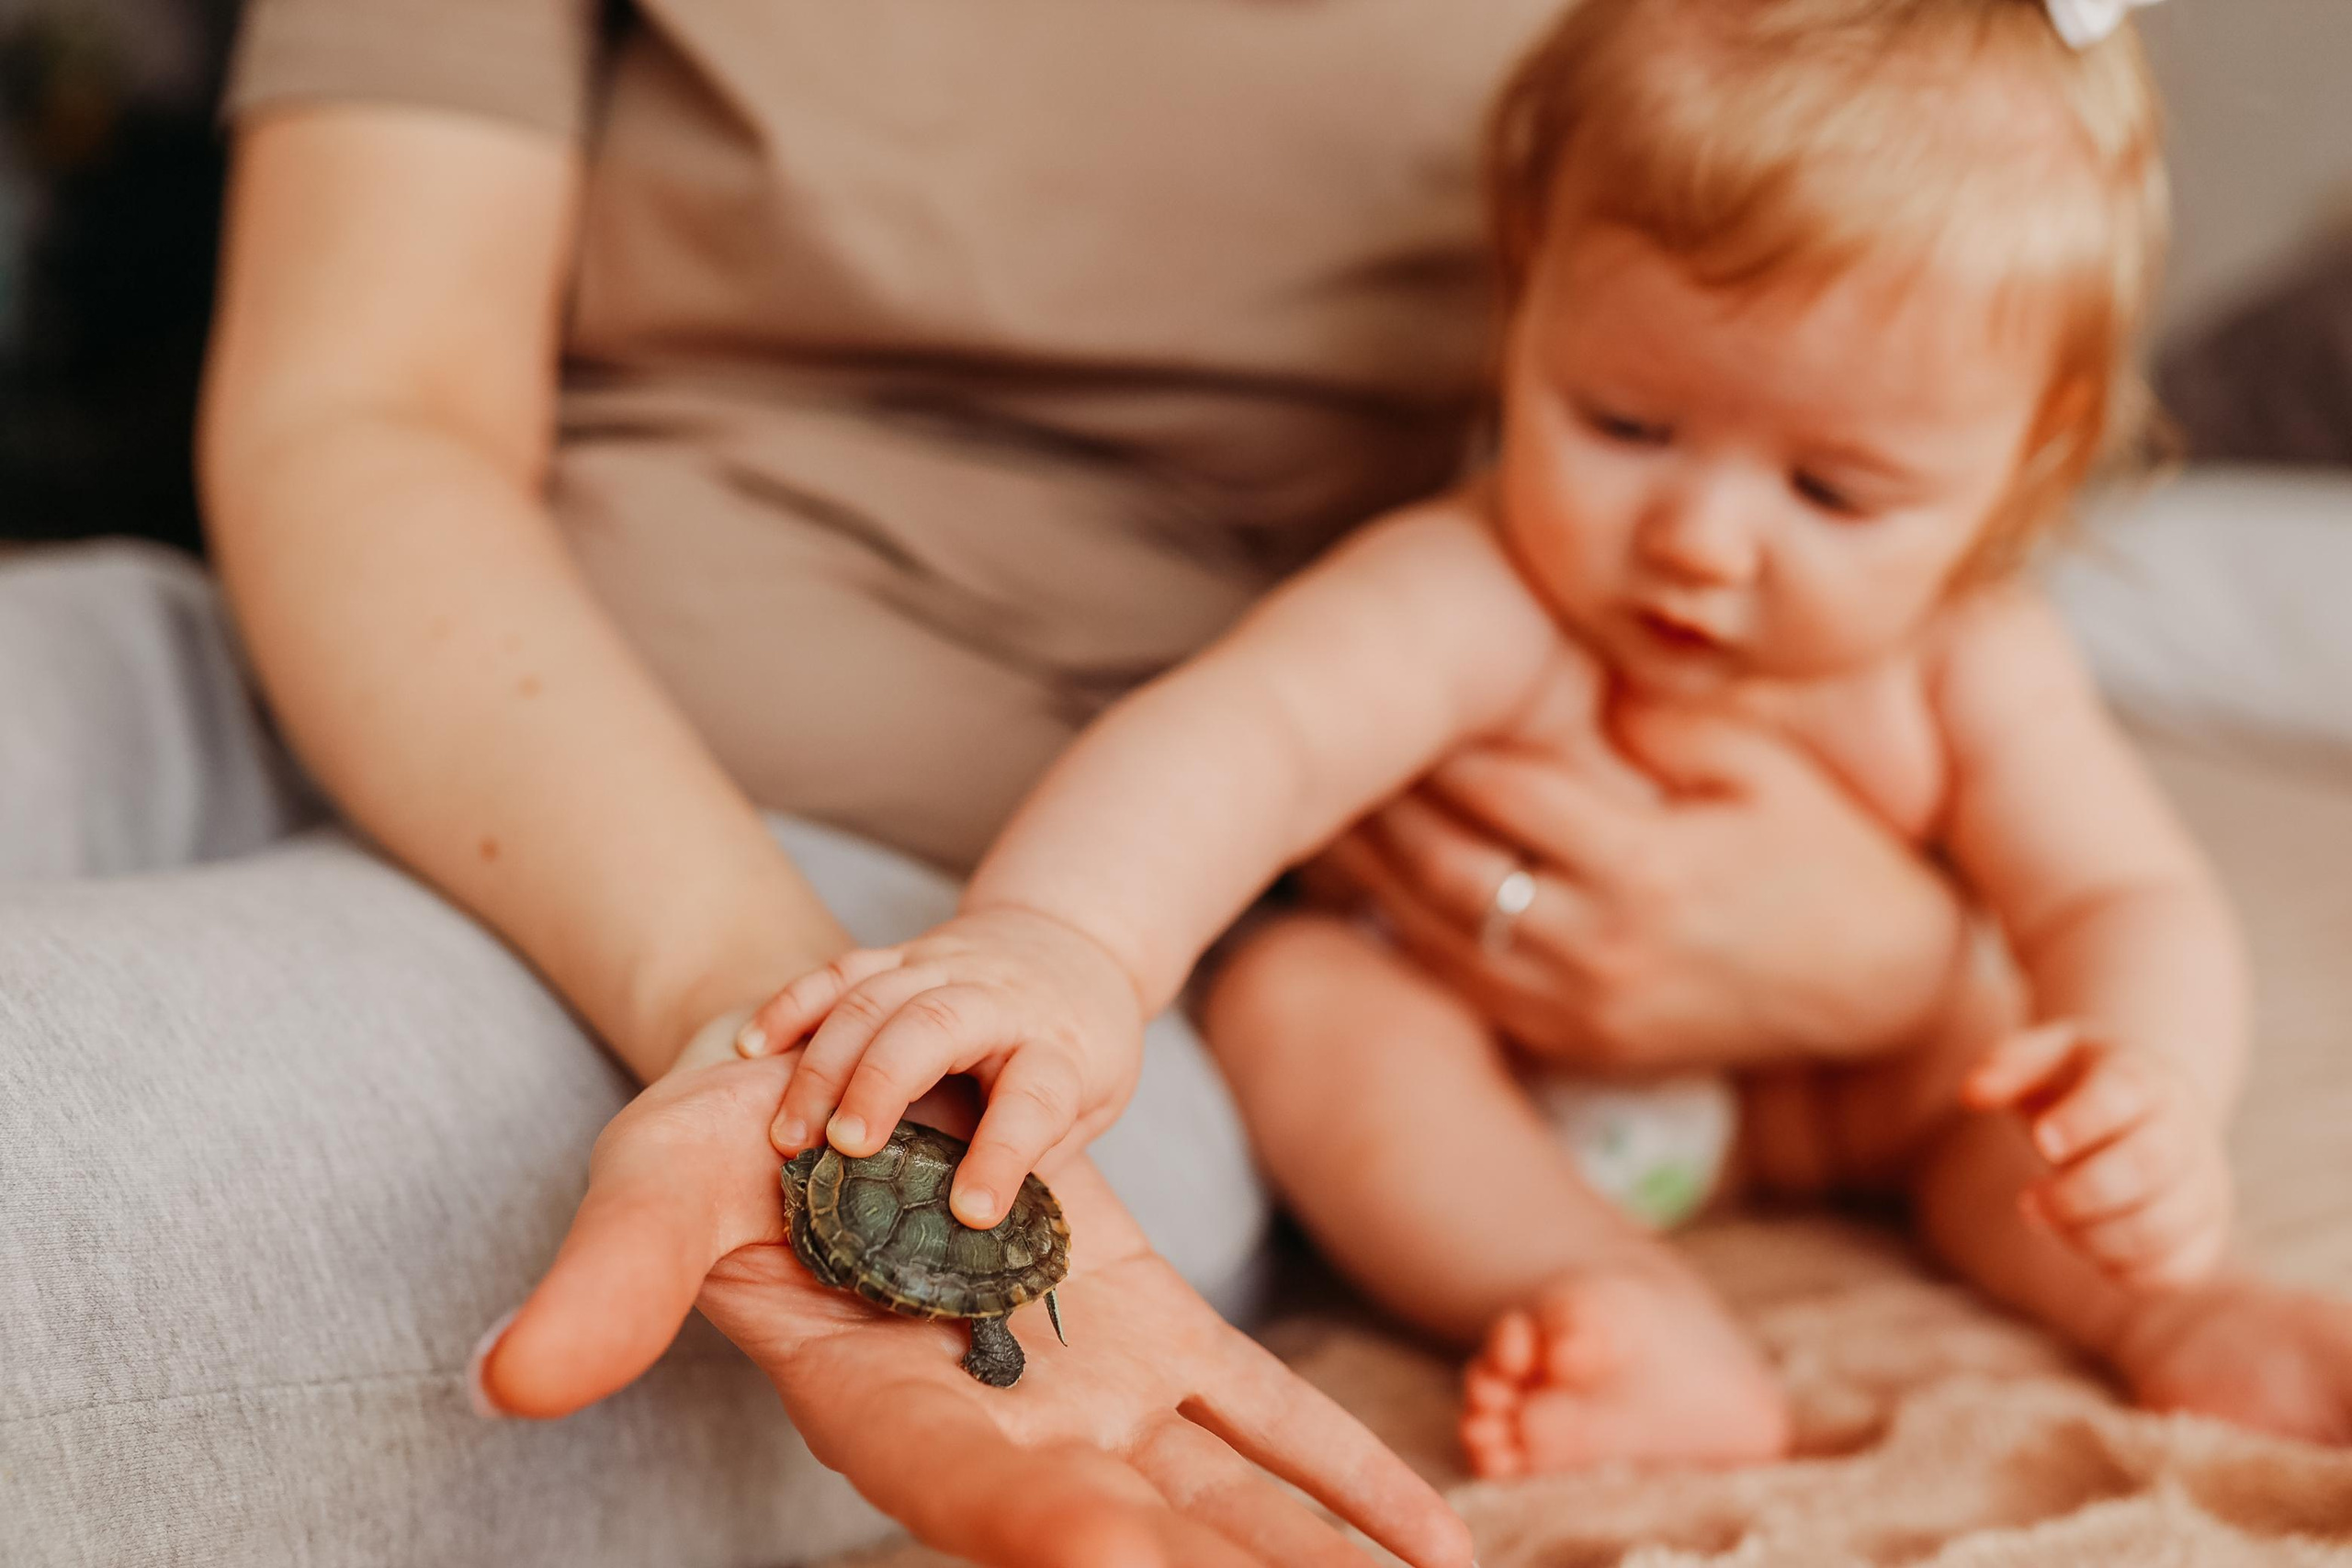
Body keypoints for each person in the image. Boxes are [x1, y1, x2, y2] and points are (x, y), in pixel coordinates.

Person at [0, 2, 2014, 1565]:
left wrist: (1906, 963)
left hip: (974, 938)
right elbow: (364, 403)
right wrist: (751, 983)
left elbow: (1899, 452)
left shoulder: (1783, 66)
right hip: (295, 642)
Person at [736, 0, 2352, 1483]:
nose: (1704, 540)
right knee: (1305, 1004)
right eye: (1627, 426)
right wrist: (1060, 944)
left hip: (1837, 1094)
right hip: (1498, 1078)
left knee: (2009, 1082)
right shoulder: (1480, 587)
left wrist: (2150, 1081)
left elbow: (2119, 898)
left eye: (1834, 491)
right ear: (1528, 301)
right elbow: (1247, 743)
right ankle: (1609, 1293)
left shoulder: (1975, 652)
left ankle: (2186, 1316)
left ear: (2026, 467)